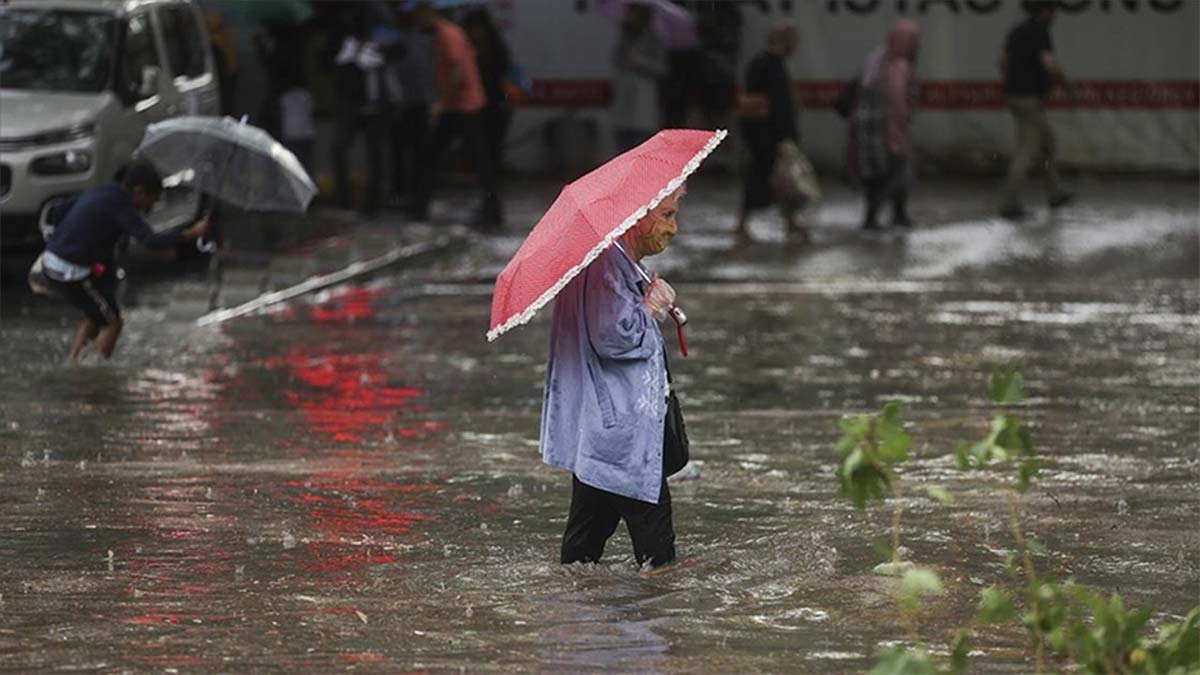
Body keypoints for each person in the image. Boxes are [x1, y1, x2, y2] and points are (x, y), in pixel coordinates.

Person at [541, 186, 687, 570]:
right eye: (667, 215)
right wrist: (651, 306)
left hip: (603, 436)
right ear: (639, 216)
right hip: (623, 435)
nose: (674, 228)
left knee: (579, 558)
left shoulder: (615, 261)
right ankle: (655, 623)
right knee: (660, 562)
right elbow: (613, 337)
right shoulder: (604, 265)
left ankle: (576, 622)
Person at [41, 162, 209, 362]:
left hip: (53, 258)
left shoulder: (104, 189)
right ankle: (90, 377)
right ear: (139, 191)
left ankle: (74, 364)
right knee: (113, 323)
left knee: (97, 315)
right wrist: (192, 233)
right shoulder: (121, 204)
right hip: (69, 269)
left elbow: (60, 211)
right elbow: (150, 240)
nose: (151, 208)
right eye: (151, 201)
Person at [408, 1, 503, 230]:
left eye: (417, 16)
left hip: (463, 105)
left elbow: (459, 70)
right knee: (475, 161)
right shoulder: (445, 33)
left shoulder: (447, 34)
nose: (415, 21)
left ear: (426, 13)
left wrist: (443, 101)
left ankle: (419, 208)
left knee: (446, 158)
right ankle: (419, 207)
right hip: (461, 104)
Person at [999, 0, 1072, 220]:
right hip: (1030, 99)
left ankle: (1055, 193)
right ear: (1044, 11)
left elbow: (1002, 62)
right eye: (1053, 11)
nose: (1055, 15)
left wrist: (1013, 82)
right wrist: (1067, 84)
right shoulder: (1040, 32)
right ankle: (1010, 204)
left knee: (1047, 143)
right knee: (1027, 150)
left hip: (1015, 97)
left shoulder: (1016, 31)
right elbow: (1049, 63)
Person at [848, 20, 919, 231]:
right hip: (886, 131)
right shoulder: (900, 66)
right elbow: (898, 104)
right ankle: (875, 218)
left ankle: (897, 214)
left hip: (866, 128)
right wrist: (901, 133)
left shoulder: (877, 57)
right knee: (894, 173)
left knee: (878, 175)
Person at [735, 21, 803, 242]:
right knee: (768, 177)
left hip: (765, 134)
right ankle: (745, 221)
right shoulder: (769, 67)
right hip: (767, 135)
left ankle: (787, 221)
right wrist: (783, 136)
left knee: (778, 179)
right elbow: (773, 106)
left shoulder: (765, 64)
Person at [461, 8, 514, 176]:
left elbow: (503, 69)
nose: (476, 32)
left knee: (493, 144)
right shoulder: (464, 47)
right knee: (478, 146)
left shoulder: (495, 47)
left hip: (495, 101)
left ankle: (492, 181)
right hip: (473, 103)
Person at [611, 3, 668, 153]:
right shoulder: (624, 36)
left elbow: (661, 68)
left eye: (633, 14)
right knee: (622, 145)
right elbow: (615, 59)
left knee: (640, 144)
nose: (629, 17)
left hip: (643, 97)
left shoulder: (654, 39)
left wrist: (639, 61)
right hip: (624, 95)